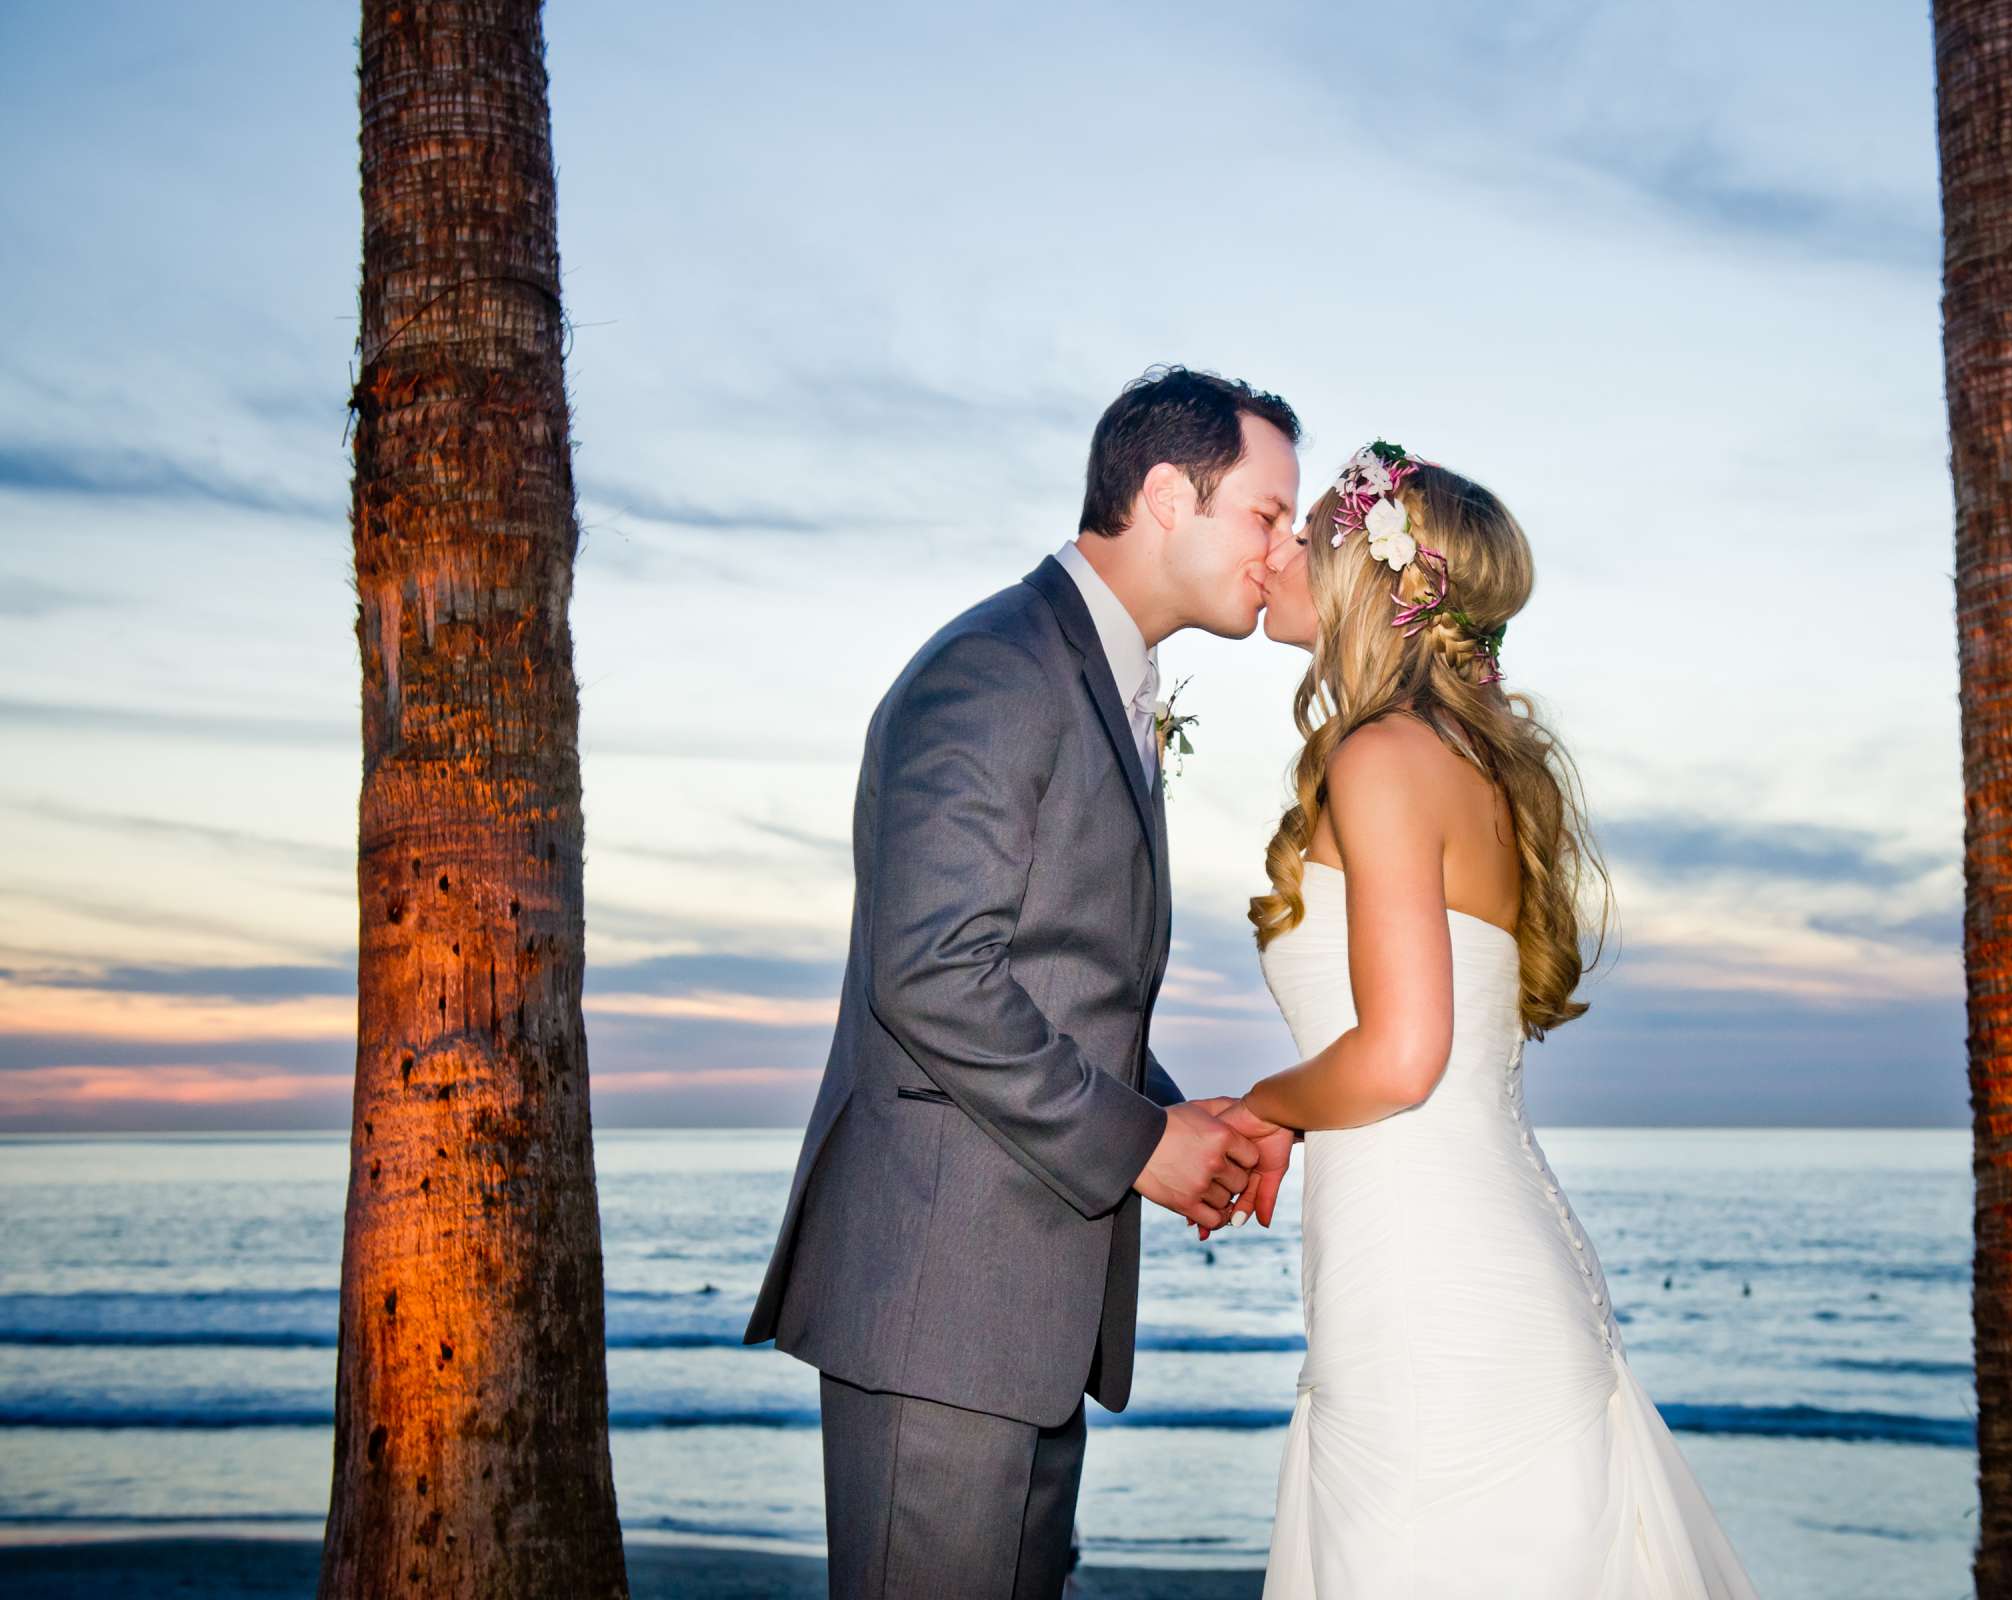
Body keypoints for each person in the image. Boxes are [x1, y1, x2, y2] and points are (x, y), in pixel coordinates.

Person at [742, 366, 1301, 1599]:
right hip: (942, 1308)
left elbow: (1058, 979)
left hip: (1020, 1312)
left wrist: (1173, 1119)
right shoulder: (997, 668)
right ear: (1168, 496)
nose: (1284, 549)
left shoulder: (1091, 675)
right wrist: (1136, 1144)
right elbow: (931, 973)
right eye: (1266, 514)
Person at [1234, 442, 1762, 1597]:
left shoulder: (1382, 758)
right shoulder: (1467, 758)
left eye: (1304, 533)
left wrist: (1263, 1108)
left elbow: (1403, 1054)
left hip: (1435, 1309)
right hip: (1461, 1270)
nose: (1275, 553)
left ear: (1369, 575)